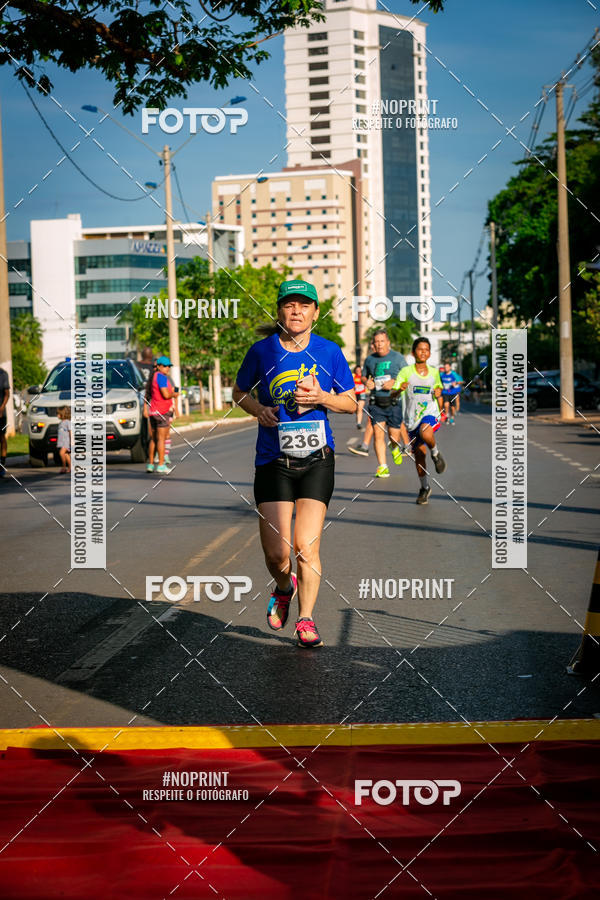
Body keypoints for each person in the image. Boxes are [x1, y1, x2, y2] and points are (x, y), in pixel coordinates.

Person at [232, 279, 355, 649]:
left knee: (305, 546)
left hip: (318, 460)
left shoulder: (330, 351)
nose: (297, 311)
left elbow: (351, 403)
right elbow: (239, 392)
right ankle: (284, 587)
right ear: (280, 311)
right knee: (277, 553)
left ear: (316, 312)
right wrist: (259, 410)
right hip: (273, 460)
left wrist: (323, 396)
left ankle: (306, 618)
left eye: (305, 305)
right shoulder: (262, 351)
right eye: (289, 305)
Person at [392, 337, 446, 505]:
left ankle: (436, 454)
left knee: (426, 431)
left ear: (430, 353)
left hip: (430, 413)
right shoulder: (406, 372)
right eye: (420, 349)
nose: (423, 352)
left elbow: (439, 392)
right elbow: (392, 394)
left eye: (426, 349)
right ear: (413, 352)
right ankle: (424, 487)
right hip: (411, 420)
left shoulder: (434, 372)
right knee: (420, 456)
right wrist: (397, 390)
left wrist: (439, 396)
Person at [359, 329, 408, 477]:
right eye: (376, 342)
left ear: (388, 343)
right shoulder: (369, 360)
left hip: (394, 401)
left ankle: (394, 446)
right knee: (378, 434)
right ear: (373, 344)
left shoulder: (398, 358)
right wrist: (367, 382)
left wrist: (395, 382)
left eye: (382, 341)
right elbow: (363, 377)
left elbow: (407, 378)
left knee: (394, 435)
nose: (379, 344)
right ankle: (383, 466)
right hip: (376, 402)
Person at [145, 356, 177, 475]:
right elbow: (165, 395)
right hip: (162, 412)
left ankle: (151, 464)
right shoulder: (162, 378)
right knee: (162, 439)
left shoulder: (153, 377)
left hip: (153, 411)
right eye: (164, 366)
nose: (167, 368)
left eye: (168, 366)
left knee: (154, 439)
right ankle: (161, 465)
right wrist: (174, 394)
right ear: (158, 366)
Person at [0, 366, 10, 478]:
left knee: (1, 436)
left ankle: (2, 464)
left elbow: (7, 394)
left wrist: (2, 407)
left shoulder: (3, 374)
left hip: (1, 412)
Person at [56, 406, 72, 473]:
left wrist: (72, 441)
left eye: (58, 414)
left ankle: (64, 467)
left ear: (63, 414)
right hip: (62, 442)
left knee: (61, 453)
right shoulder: (61, 423)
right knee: (66, 455)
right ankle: (70, 467)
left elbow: (71, 432)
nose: (57, 415)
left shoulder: (67, 422)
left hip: (66, 442)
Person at [353, 365, 366, 429]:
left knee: (360, 408)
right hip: (355, 394)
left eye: (359, 370)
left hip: (362, 394)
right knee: (356, 409)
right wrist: (354, 386)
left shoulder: (363, 377)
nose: (358, 371)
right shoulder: (353, 376)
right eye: (357, 370)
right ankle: (358, 419)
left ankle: (359, 423)